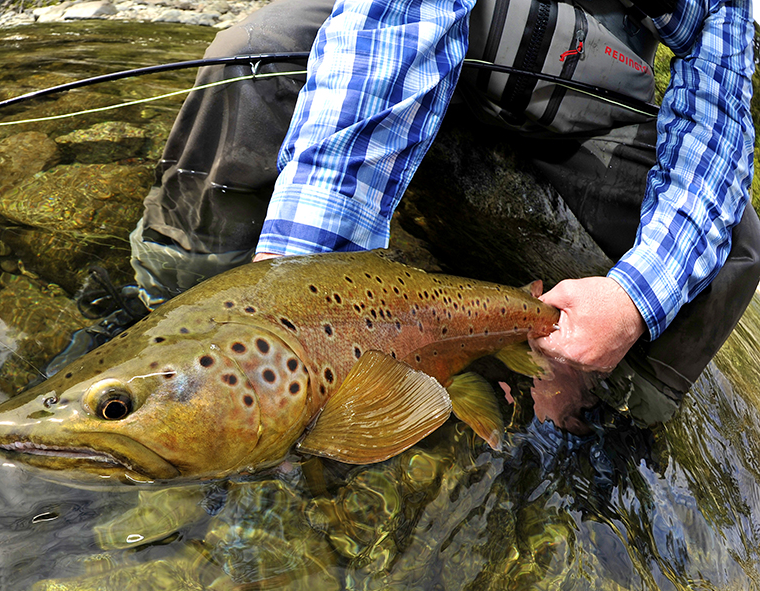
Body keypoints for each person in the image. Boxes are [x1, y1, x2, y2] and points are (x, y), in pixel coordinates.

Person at [68, 0, 759, 427]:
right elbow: (395, 27)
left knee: (733, 243)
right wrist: (304, 280)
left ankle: (605, 405)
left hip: (579, 97)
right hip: (416, 24)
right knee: (252, 59)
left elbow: (717, 121)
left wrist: (634, 300)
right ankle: (166, 309)